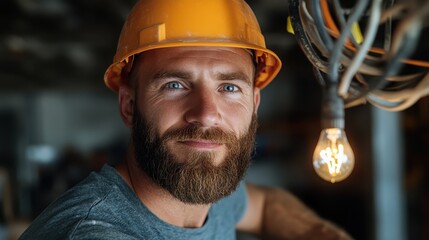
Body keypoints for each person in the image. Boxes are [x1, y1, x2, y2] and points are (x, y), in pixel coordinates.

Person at [20, 0, 353, 239]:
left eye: (229, 87)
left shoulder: (205, 190)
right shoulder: (93, 232)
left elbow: (264, 205)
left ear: (254, 103)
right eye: (175, 85)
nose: (206, 113)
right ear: (129, 106)